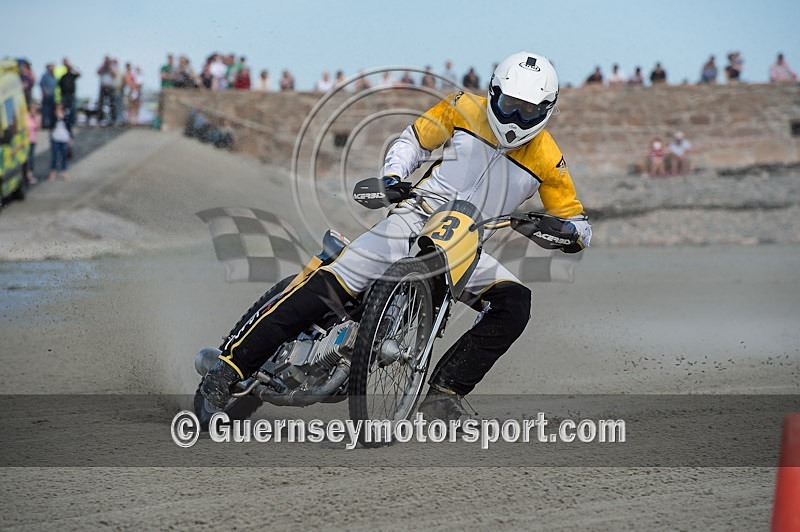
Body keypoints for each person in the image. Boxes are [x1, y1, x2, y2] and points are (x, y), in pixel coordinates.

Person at [200, 51, 592, 420]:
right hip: (415, 216)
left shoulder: (549, 159)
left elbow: (578, 224)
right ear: (493, 93)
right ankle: (227, 370)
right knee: (334, 283)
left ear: (546, 110)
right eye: (509, 106)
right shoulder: (462, 107)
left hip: (466, 244)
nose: (516, 119)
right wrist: (394, 177)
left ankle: (444, 393)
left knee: (515, 303)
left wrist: (563, 231)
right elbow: (414, 141)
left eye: (528, 111)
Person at [48, 105, 72, 181]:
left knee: (64, 157)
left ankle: (64, 172)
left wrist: (71, 139)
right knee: (54, 157)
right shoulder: (53, 118)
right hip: (55, 140)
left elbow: (69, 128)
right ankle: (53, 172)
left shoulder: (66, 118)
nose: (59, 111)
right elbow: (50, 126)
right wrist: (57, 118)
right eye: (57, 110)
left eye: (60, 110)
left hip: (64, 139)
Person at [58, 58, 80, 128]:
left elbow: (79, 73)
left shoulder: (72, 75)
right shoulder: (63, 77)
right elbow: (59, 85)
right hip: (64, 95)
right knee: (64, 110)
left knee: (73, 109)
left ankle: (72, 122)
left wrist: (71, 65)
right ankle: (64, 122)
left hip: (71, 95)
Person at [39, 63, 57, 129]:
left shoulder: (54, 76)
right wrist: (44, 92)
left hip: (53, 95)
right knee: (45, 110)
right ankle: (45, 124)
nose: (53, 68)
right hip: (47, 95)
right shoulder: (45, 75)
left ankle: (52, 124)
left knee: (52, 111)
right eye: (52, 67)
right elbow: (41, 84)